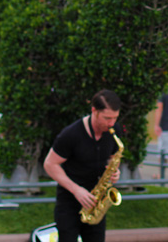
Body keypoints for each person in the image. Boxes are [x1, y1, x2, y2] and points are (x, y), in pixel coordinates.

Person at [43, 90, 123, 242]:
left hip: (96, 202)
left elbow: (113, 158)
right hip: (70, 202)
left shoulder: (114, 131)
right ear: (94, 111)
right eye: (107, 118)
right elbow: (50, 164)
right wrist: (76, 190)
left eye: (115, 118)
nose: (111, 123)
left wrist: (115, 172)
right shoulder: (71, 134)